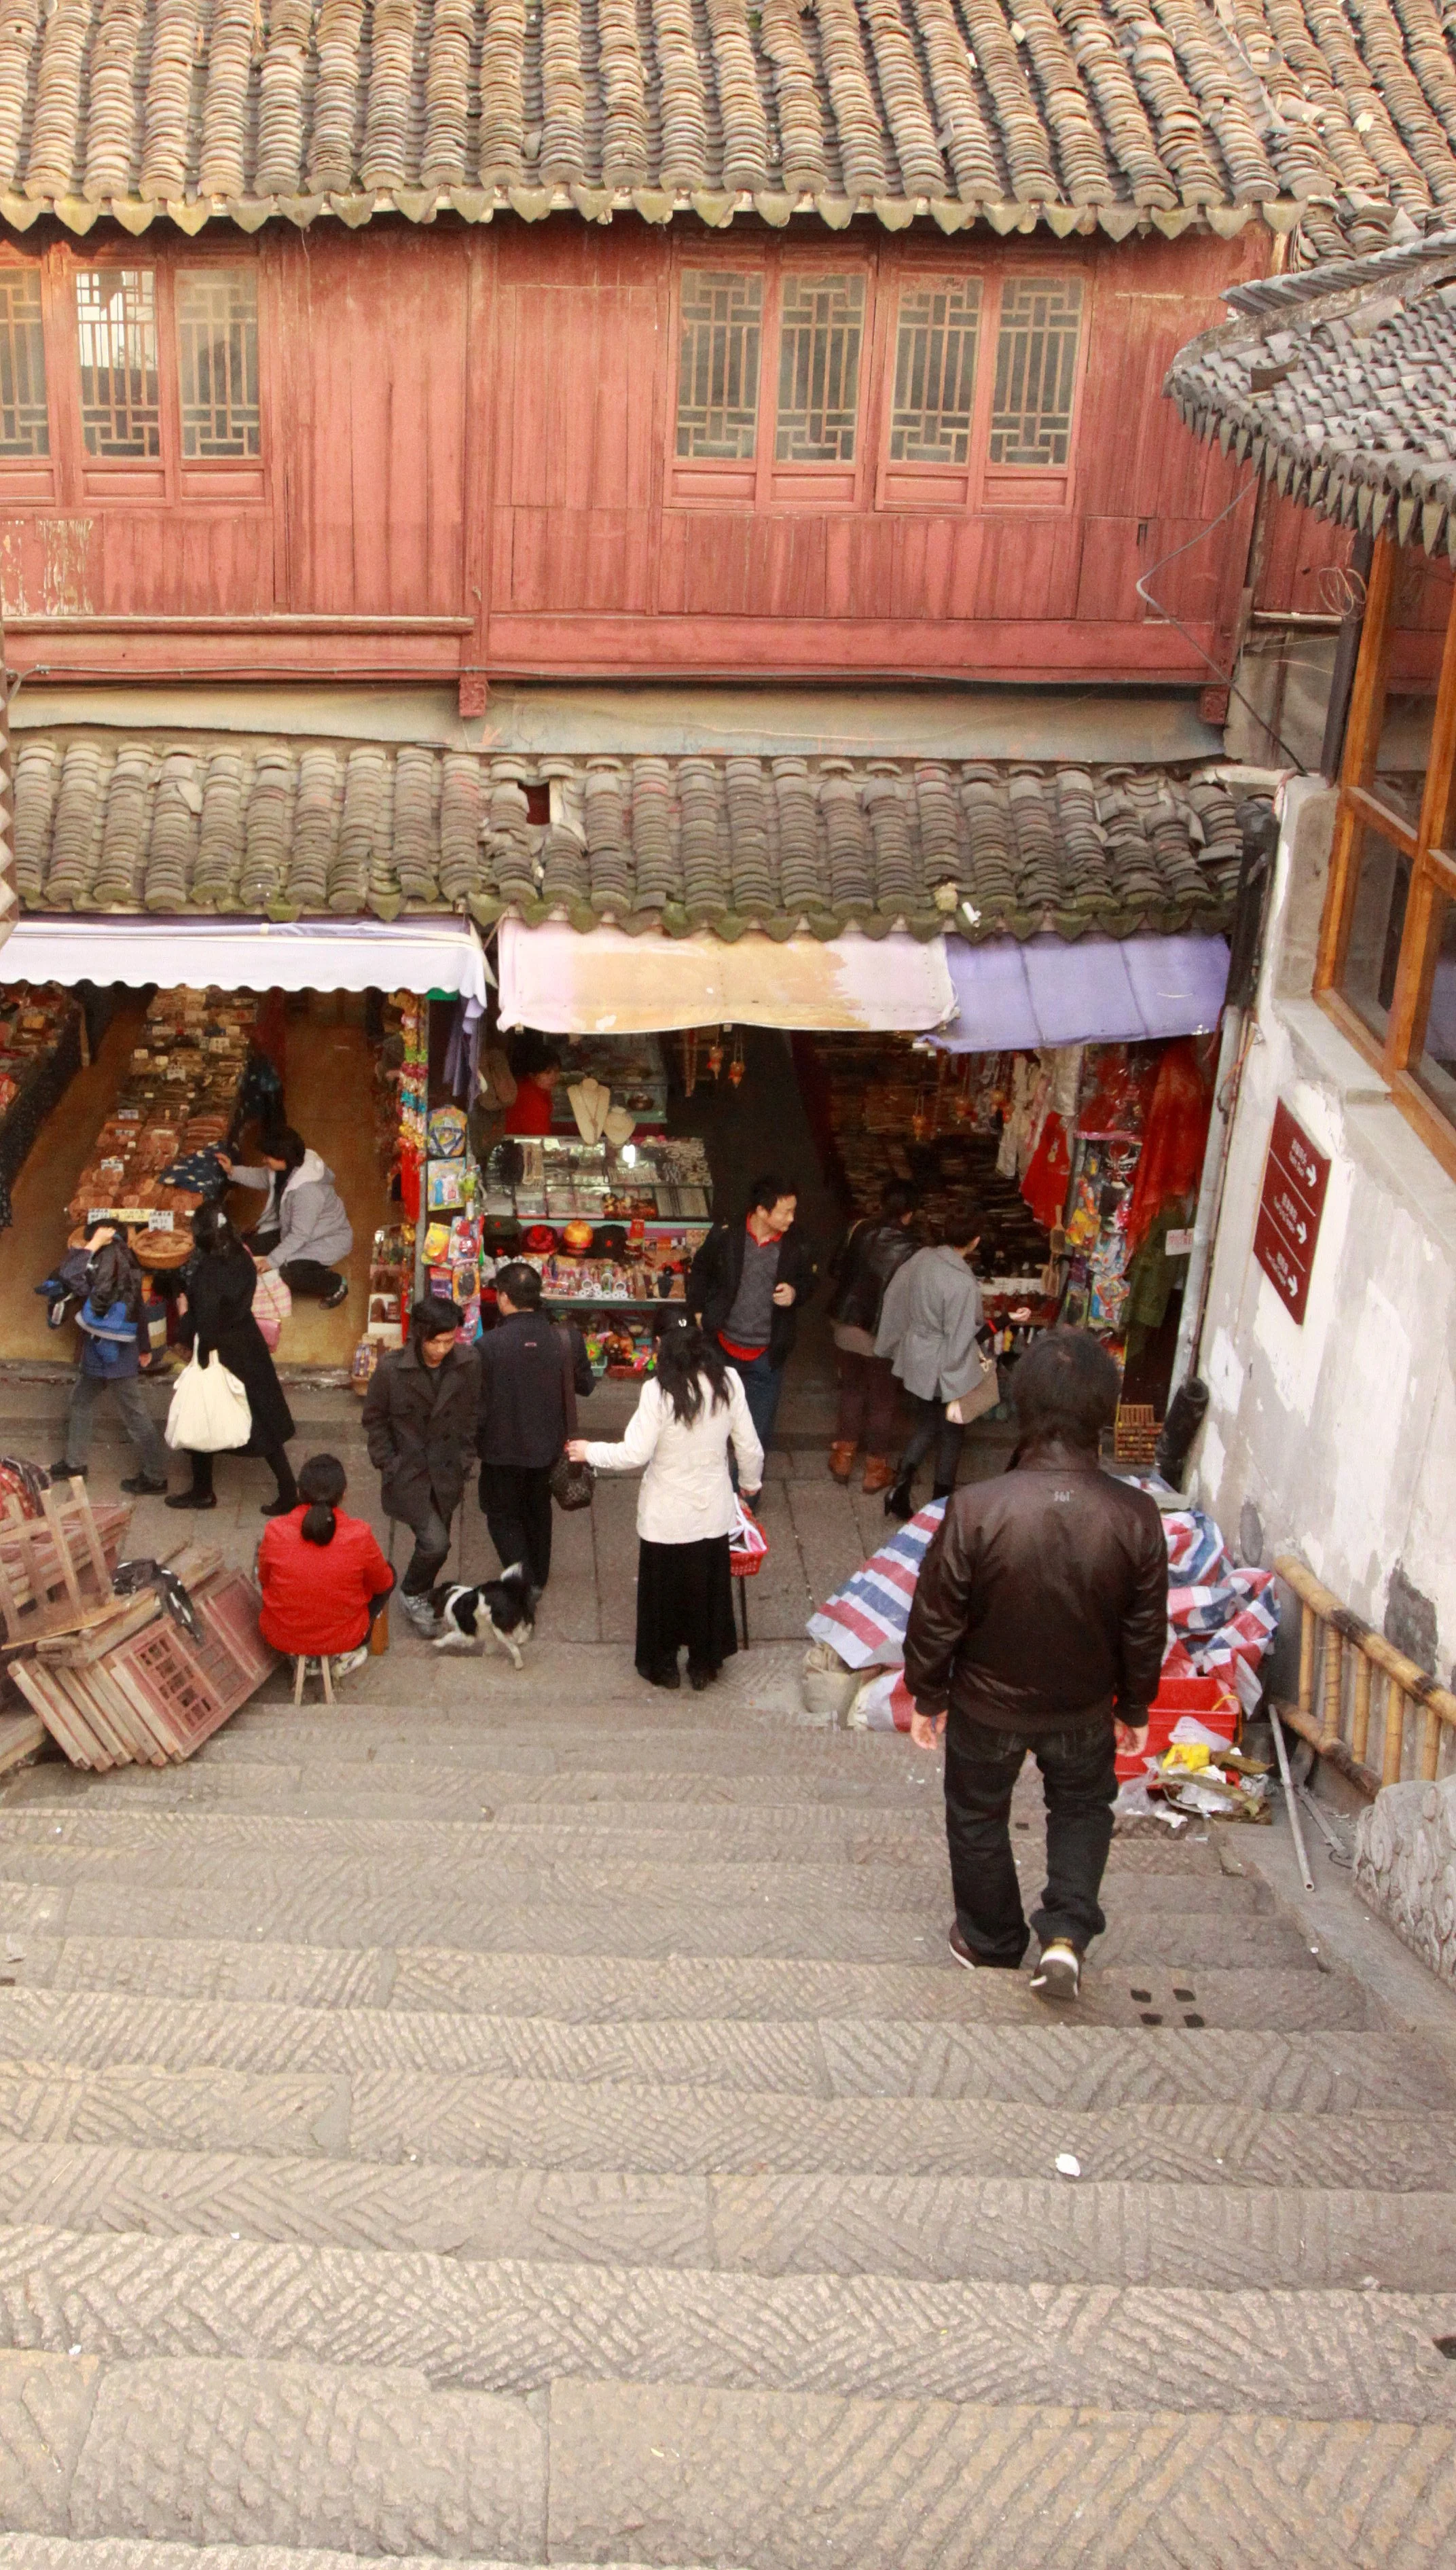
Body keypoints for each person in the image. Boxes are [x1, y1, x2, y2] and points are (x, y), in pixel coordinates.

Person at [903, 1327, 1169, 2003]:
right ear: (1100, 1413)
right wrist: (1134, 1706)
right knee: (1081, 1807)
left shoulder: (974, 1509)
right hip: (1082, 1708)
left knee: (975, 1812)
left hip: (985, 1707)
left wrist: (928, 1693)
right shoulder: (1135, 1515)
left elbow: (936, 1617)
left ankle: (991, 1942)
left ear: (1022, 1407)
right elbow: (1144, 1629)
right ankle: (1064, 1935)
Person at [569, 1314, 762, 1691]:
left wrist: (588, 1450)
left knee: (663, 1593)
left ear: (662, 1346)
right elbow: (749, 1448)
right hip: (712, 1512)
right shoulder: (730, 1383)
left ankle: (663, 1666)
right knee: (707, 1590)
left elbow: (633, 1454)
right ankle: (704, 1664)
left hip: (666, 1516)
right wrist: (749, 1485)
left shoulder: (658, 1393)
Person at [166, 1203, 299, 1516]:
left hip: (221, 1352)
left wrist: (184, 1317)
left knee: (201, 1411)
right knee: (264, 1418)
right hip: (248, 1344)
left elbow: (205, 1322)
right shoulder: (242, 1255)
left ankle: (202, 1490)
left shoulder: (208, 1274)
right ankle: (288, 1488)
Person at [361, 1295, 479, 1632]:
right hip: (408, 1473)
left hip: (447, 1472)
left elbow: (472, 1414)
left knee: (438, 1541)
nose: (443, 1349)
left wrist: (465, 1458)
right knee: (436, 1542)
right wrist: (388, 1462)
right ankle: (412, 1594)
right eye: (436, 1341)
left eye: (449, 1340)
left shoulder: (468, 1363)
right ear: (420, 1336)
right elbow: (375, 1419)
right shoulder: (390, 1370)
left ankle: (422, 1592)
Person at [477, 1259, 593, 1593]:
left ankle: (522, 1581)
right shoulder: (567, 1339)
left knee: (502, 1514)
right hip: (549, 1446)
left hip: (501, 1449)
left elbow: (478, 1403)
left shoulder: (488, 1346)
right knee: (538, 1509)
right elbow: (585, 1386)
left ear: (503, 1297)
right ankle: (538, 1577)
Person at [686, 1173, 816, 1455]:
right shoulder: (727, 1235)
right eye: (786, 1212)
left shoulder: (797, 1243)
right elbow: (700, 1270)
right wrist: (698, 1311)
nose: (792, 1219)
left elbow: (810, 1281)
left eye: (794, 1211)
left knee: (754, 1438)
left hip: (766, 1355)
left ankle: (745, 1495)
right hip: (722, 1347)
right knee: (711, 1428)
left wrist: (795, 1293)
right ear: (761, 1210)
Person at [874, 1197, 985, 1521]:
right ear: (975, 1241)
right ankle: (940, 1503)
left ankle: (900, 1490)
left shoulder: (922, 1258)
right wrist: (958, 1379)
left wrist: (896, 1340)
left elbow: (895, 1295)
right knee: (952, 1431)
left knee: (926, 1425)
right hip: (943, 1364)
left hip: (917, 1354)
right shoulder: (964, 1284)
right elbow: (962, 1337)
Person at [50, 1222, 169, 1496]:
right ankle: (75, 1463)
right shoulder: (126, 1260)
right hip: (118, 1347)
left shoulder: (99, 1261)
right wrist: (144, 1345)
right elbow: (138, 1305)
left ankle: (156, 1475)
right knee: (83, 1400)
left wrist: (92, 1246)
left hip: (107, 1350)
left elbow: (67, 1275)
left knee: (133, 1413)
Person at [257, 1452, 394, 1683]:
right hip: (344, 1638)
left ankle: (300, 1656)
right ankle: (341, 1657)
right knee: (389, 1574)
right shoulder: (359, 1534)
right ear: (344, 1494)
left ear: (300, 1492)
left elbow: (264, 1579)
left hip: (282, 1635)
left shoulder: (275, 1530)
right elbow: (384, 1583)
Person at [826, 1180, 919, 1494]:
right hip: (882, 1332)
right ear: (909, 1213)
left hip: (846, 1325)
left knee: (852, 1389)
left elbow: (835, 1269)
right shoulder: (914, 1250)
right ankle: (874, 1471)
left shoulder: (858, 1229)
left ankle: (842, 1460)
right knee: (882, 1400)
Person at [219, 1127, 353, 1307]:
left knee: (288, 1272)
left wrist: (271, 1261)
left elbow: (300, 1236)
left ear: (282, 1158)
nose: (263, 1160)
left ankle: (336, 1284)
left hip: (325, 1239)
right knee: (250, 1247)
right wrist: (232, 1171)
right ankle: (306, 1266)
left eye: (267, 1157)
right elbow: (262, 1177)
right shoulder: (286, 1166)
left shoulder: (307, 1193)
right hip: (298, 1229)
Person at [503, 1039, 563, 1137]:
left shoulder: (533, 1088)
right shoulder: (532, 1100)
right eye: (547, 1073)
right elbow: (540, 1138)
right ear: (532, 1074)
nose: (554, 1077)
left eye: (556, 1071)